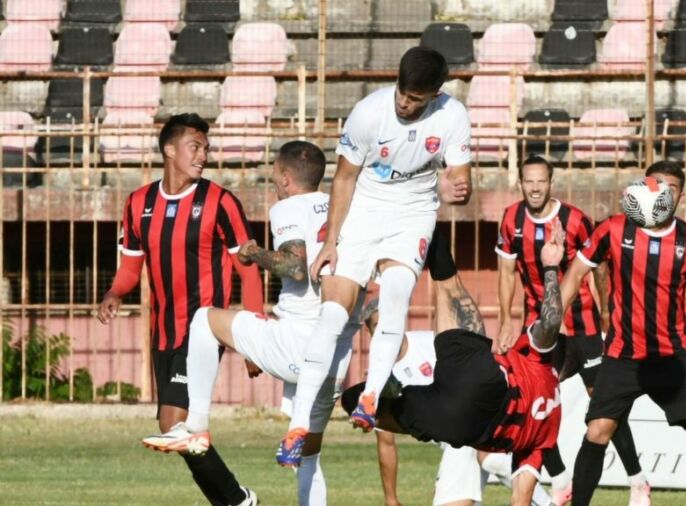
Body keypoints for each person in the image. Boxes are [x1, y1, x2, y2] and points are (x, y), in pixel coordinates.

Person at [139, 141, 363, 505]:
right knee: (309, 456)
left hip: (295, 343)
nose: (273, 182)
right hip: (335, 357)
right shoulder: (344, 208)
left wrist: (253, 252)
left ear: (286, 178)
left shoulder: (288, 207)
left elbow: (295, 266)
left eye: (274, 174)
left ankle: (196, 426)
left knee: (204, 319)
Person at [295, 45, 472, 448]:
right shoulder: (368, 113)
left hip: (413, 213)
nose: (405, 103)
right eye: (402, 93)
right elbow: (343, 178)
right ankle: (298, 424)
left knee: (395, 296)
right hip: (364, 210)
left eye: (415, 99)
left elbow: (460, 179)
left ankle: (371, 396)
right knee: (332, 314)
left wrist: (458, 189)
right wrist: (330, 240)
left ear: (435, 95)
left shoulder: (453, 116)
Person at [97, 113, 264, 506]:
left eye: (206, 147)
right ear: (169, 150)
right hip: (164, 330)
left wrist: (252, 336)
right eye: (195, 147)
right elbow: (130, 267)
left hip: (204, 329)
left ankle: (237, 500)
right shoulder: (138, 203)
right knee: (173, 427)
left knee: (176, 424)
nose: (204, 155)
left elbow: (249, 271)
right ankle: (236, 501)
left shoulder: (221, 202)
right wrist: (114, 293)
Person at [342, 223, 566, 506]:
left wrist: (550, 266)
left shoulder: (541, 364)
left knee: (447, 284)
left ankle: (425, 220)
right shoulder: (545, 437)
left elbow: (551, 320)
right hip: (460, 425)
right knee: (356, 401)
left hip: (483, 384)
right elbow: (520, 500)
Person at [560, 161, 686, 506]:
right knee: (598, 431)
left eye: (672, 187)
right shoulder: (614, 228)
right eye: (657, 184)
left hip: (673, 356)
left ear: (680, 196)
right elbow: (575, 275)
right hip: (623, 355)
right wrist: (550, 320)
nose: (663, 191)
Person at [495, 155, 651, 505]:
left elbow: (599, 269)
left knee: (604, 405)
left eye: (541, 181)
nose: (535, 188)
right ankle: (561, 478)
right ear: (520, 184)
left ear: (551, 183)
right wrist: (505, 320)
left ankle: (638, 481)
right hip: (540, 329)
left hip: (584, 327)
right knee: (529, 399)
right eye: (529, 181)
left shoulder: (575, 220)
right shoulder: (510, 219)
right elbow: (505, 273)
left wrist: (608, 316)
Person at [360, 294, 556, 506]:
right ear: (369, 333)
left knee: (489, 459)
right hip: (457, 441)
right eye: (377, 327)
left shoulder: (430, 342)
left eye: (388, 323)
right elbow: (386, 442)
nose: (384, 331)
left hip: (475, 427)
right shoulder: (379, 377)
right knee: (488, 461)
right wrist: (391, 498)